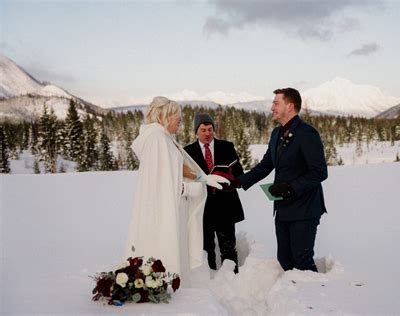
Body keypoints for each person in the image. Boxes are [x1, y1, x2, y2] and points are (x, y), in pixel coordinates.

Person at [123, 97, 228, 286]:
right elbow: (163, 183)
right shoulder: (158, 139)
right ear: (165, 115)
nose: (180, 121)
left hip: (173, 208)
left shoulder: (163, 138)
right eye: (177, 117)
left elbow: (176, 168)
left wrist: (203, 178)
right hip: (166, 209)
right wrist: (192, 188)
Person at [235, 88, 328, 272]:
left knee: (302, 261)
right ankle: (292, 298)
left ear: (290, 106)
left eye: (276, 103)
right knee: (284, 259)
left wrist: (290, 188)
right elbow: (265, 165)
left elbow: (319, 172)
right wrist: (239, 181)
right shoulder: (276, 133)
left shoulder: (307, 133)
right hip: (283, 208)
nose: (272, 108)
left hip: (305, 208)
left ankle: (313, 298)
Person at [184, 113, 244, 273]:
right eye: (203, 130)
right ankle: (209, 278)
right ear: (196, 132)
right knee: (206, 246)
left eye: (210, 129)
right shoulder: (187, 152)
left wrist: (231, 180)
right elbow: (185, 178)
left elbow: (239, 172)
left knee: (228, 246)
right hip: (203, 206)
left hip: (226, 203)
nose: (207, 133)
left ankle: (232, 277)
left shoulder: (227, 146)